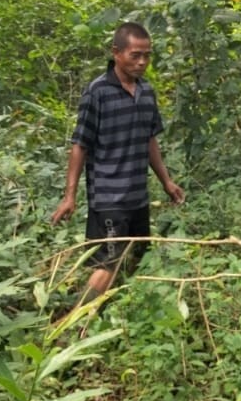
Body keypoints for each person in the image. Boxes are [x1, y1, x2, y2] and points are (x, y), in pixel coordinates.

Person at [51, 21, 184, 305]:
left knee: (138, 257)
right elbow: (80, 145)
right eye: (135, 55)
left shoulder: (146, 92)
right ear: (116, 52)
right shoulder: (97, 92)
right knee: (107, 265)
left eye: (147, 55)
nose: (142, 62)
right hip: (108, 198)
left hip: (138, 197)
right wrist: (70, 195)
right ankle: (73, 327)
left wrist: (167, 182)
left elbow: (150, 141)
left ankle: (123, 315)